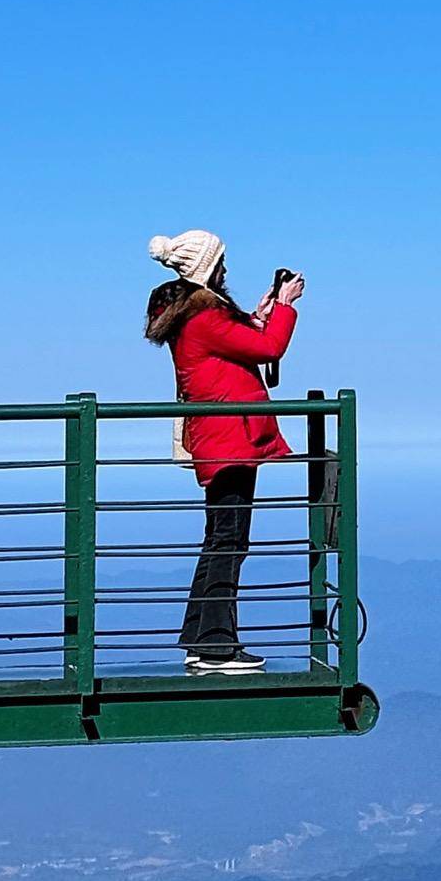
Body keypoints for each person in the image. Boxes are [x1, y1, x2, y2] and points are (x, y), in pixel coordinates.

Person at [143, 229, 305, 673]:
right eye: (221, 263)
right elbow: (268, 348)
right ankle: (216, 646)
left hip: (220, 437)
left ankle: (201, 638)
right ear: (205, 267)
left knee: (221, 538)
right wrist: (285, 308)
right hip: (229, 438)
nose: (226, 270)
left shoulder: (194, 317)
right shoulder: (205, 317)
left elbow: (238, 346)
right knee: (229, 540)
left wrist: (257, 316)